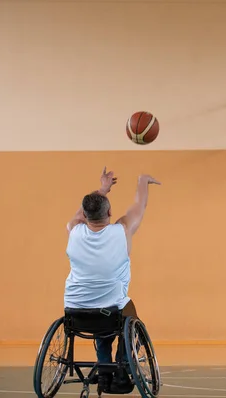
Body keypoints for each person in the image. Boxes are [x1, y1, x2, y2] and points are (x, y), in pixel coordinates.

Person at [64, 167, 160, 393]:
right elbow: (139, 207)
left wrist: (103, 189)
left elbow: (79, 216)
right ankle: (121, 366)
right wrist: (142, 181)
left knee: (102, 311)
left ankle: (105, 369)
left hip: (74, 313)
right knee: (126, 312)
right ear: (109, 214)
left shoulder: (73, 230)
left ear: (84, 216)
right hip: (110, 312)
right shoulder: (121, 231)